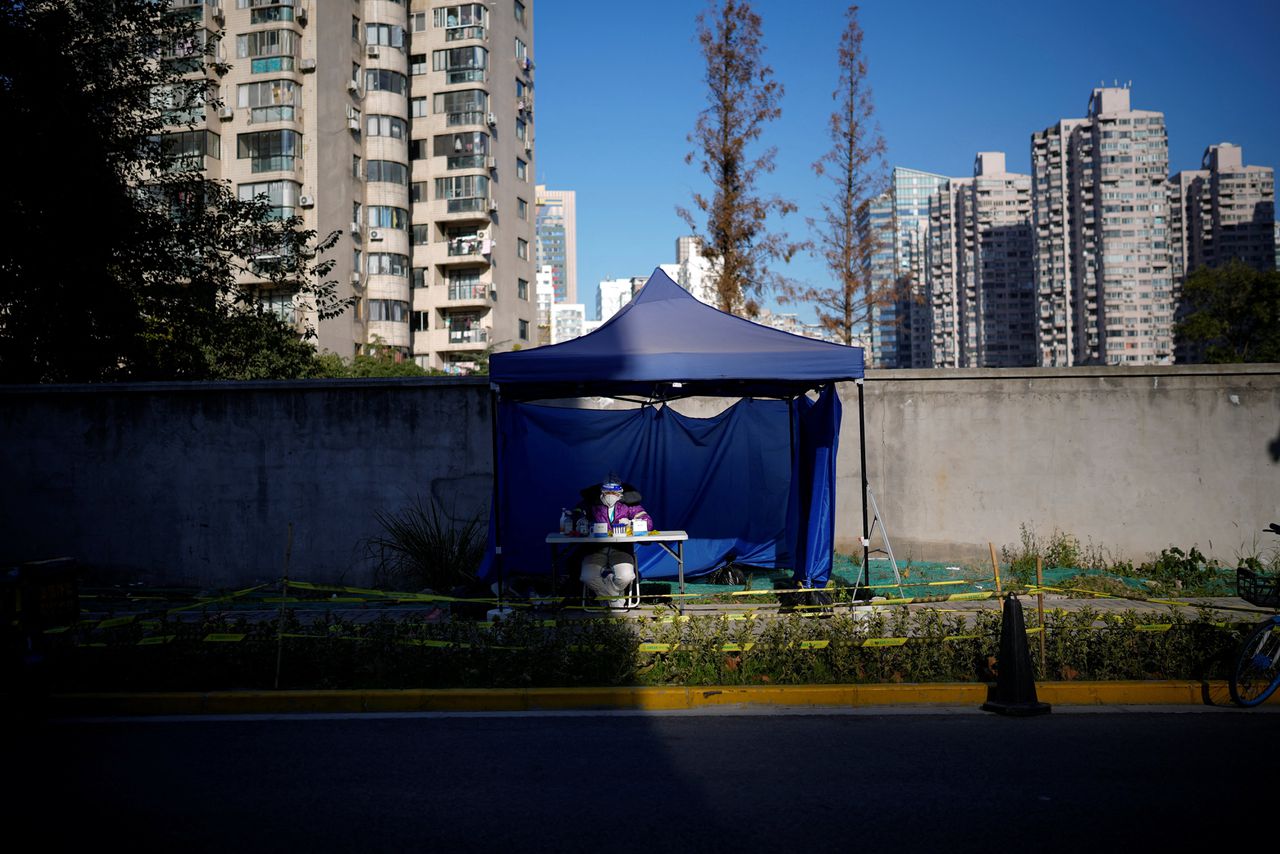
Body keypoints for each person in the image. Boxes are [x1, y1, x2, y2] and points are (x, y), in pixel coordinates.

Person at [577, 473, 654, 610]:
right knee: (587, 576)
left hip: (621, 549)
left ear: (621, 492)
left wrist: (633, 523)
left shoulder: (629, 505)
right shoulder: (591, 504)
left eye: (614, 491)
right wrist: (580, 521)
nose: (611, 494)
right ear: (601, 490)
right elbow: (575, 515)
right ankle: (614, 600)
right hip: (595, 549)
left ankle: (605, 597)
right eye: (607, 491)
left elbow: (647, 521)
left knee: (626, 576)